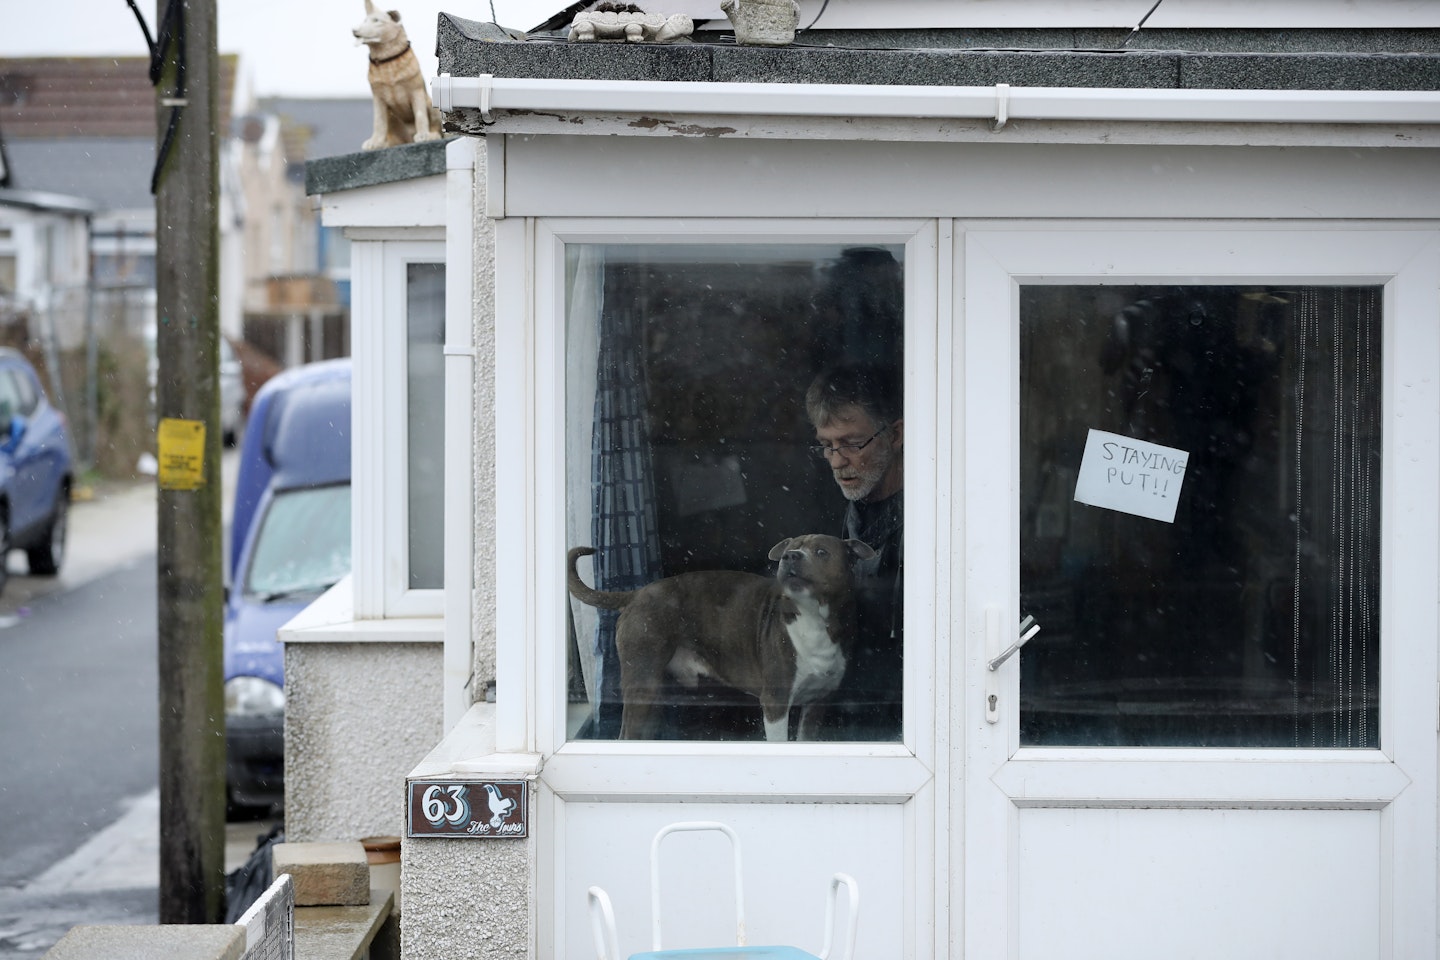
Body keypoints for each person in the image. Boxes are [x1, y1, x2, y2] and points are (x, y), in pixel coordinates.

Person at [805, 364, 903, 741]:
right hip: (842, 718)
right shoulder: (823, 515)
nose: (836, 460)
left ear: (895, 435)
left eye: (851, 443)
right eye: (826, 445)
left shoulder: (937, 517)